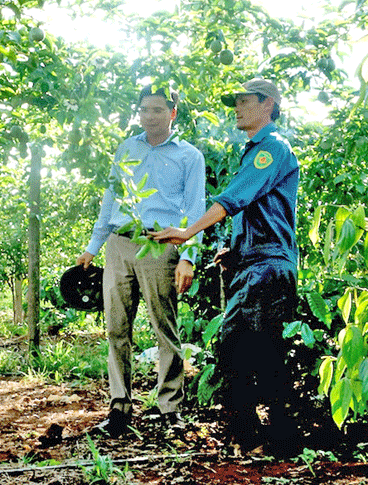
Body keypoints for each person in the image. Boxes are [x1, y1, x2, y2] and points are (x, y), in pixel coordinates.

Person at [150, 78, 300, 457]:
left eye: (243, 101)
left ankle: (263, 438)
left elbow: (233, 200)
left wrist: (187, 232)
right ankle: (263, 438)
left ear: (267, 105)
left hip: (267, 266)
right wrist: (233, 249)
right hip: (255, 263)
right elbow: (256, 211)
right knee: (255, 349)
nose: (236, 108)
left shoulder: (271, 149)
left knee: (243, 347)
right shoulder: (255, 152)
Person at [77, 84, 206, 438]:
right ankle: (119, 408)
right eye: (144, 109)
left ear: (172, 113)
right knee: (117, 328)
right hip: (120, 244)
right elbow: (110, 199)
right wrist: (92, 247)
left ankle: (170, 409)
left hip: (160, 245)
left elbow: (195, 210)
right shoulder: (126, 148)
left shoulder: (189, 156)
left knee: (164, 327)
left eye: (158, 110)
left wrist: (188, 258)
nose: (150, 116)